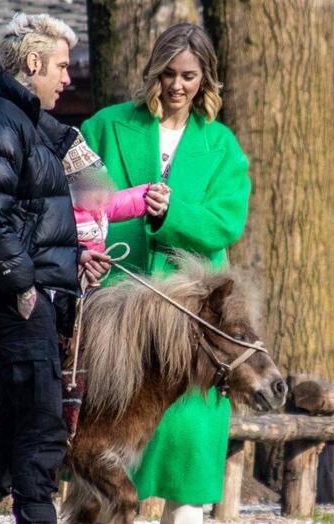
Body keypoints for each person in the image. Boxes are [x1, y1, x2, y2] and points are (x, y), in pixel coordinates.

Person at [0, 13, 110, 524]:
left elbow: (27, 220)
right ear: (33, 63)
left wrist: (74, 260)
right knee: (42, 423)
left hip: (25, 291)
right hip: (10, 298)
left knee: (17, 426)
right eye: (60, 65)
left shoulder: (27, 126)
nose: (67, 77)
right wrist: (23, 285)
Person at [80, 23, 251, 524]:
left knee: (188, 443)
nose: (177, 85)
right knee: (103, 451)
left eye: (189, 76)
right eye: (169, 73)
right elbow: (73, 194)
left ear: (206, 79)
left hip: (192, 321)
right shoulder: (106, 127)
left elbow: (226, 224)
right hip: (117, 315)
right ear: (155, 71)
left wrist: (169, 214)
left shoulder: (221, 145)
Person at [62, 133, 165, 277]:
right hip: (70, 272)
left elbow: (119, 203)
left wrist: (146, 195)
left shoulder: (97, 206)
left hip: (94, 273)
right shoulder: (64, 215)